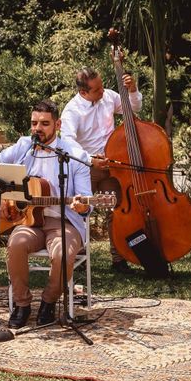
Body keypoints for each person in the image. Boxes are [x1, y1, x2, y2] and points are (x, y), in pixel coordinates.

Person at [0, 99, 92, 329]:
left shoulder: (74, 154)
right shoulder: (23, 147)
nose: (37, 128)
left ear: (57, 124)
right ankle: (22, 304)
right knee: (16, 244)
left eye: (44, 123)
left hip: (63, 221)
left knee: (63, 253)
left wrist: (83, 206)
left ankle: (49, 301)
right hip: (28, 221)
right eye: (34, 123)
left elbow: (87, 200)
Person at [60, 67, 142, 274]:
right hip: (84, 168)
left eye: (102, 85)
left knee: (116, 209)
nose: (103, 91)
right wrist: (90, 160)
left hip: (112, 164)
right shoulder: (72, 110)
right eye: (96, 89)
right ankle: (78, 257)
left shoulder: (109, 96)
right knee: (78, 211)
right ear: (83, 92)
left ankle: (119, 259)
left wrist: (132, 91)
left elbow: (134, 109)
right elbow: (68, 143)